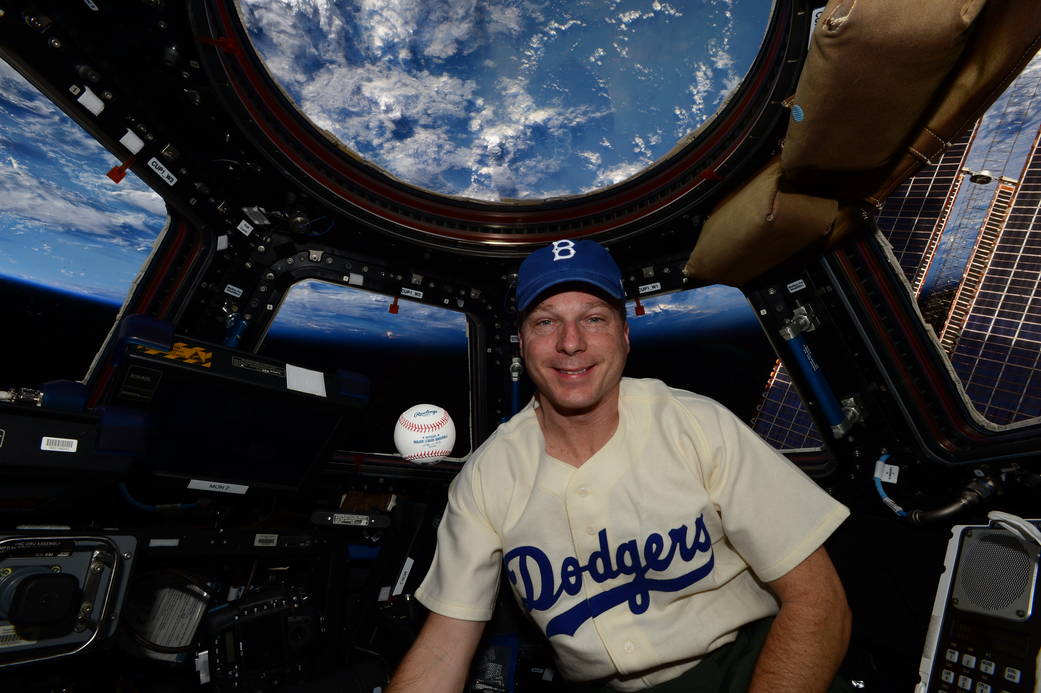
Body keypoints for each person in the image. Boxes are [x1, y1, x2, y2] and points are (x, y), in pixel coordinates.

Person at [387, 239, 852, 693]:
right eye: (546, 322)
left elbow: (818, 603)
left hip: (748, 665)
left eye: (593, 318)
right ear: (522, 342)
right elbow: (443, 649)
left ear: (624, 335)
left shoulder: (695, 424)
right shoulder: (487, 476)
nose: (571, 343)